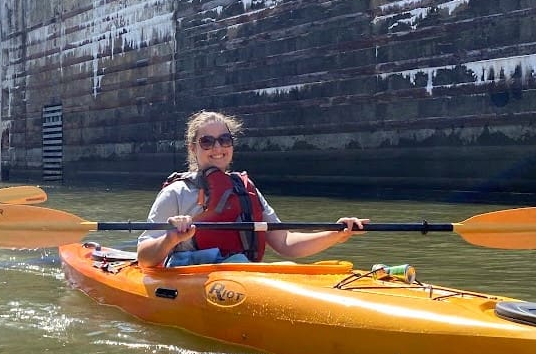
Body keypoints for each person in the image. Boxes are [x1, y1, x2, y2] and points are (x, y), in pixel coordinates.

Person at [136, 110, 368, 270]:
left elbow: (285, 243)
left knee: (286, 267)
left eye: (224, 140)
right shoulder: (176, 193)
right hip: (193, 279)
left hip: (242, 276)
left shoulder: (246, 189)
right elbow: (144, 258)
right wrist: (170, 238)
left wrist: (337, 234)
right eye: (207, 142)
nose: (217, 148)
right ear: (193, 148)